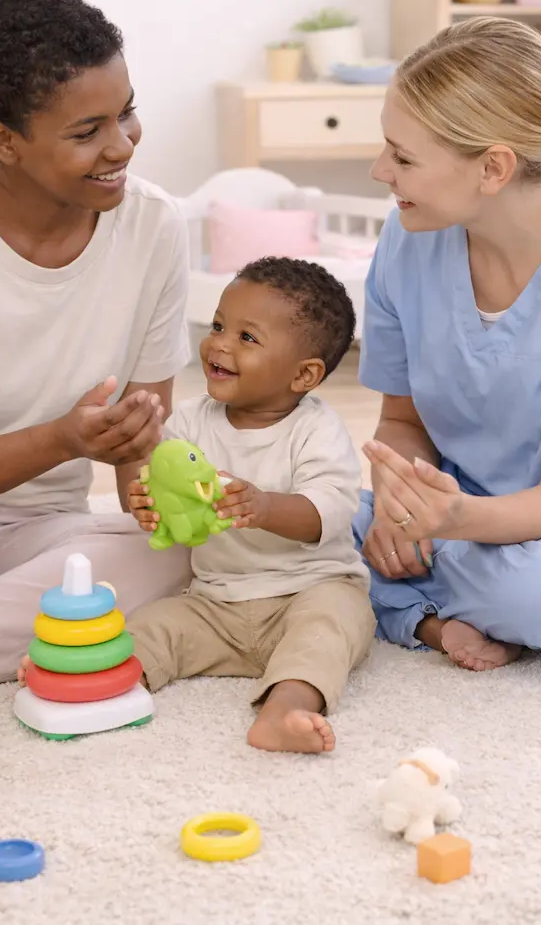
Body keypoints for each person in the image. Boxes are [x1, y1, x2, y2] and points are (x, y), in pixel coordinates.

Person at [0, 0, 192, 703]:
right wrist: (64, 439)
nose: (122, 146)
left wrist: (170, 503)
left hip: (47, 526)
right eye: (87, 132)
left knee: (174, 557)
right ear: (2, 140)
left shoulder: (155, 226)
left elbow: (141, 448)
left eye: (127, 112)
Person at [22, 258, 374, 753]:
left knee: (330, 631)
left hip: (307, 590)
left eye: (247, 338)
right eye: (218, 325)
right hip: (216, 601)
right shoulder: (190, 420)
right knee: (149, 627)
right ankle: (91, 682)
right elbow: (164, 492)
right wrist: (149, 506)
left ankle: (284, 710)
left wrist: (266, 506)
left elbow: (334, 510)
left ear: (304, 375)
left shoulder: (316, 430)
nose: (221, 344)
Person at [352, 17, 541, 672]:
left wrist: (446, 522)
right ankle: (447, 612)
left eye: (402, 157)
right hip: (458, 512)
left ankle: (428, 605)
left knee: (540, 593)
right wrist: (396, 496)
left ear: (493, 167)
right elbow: (401, 422)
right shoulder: (407, 237)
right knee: (302, 531)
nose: (380, 170)